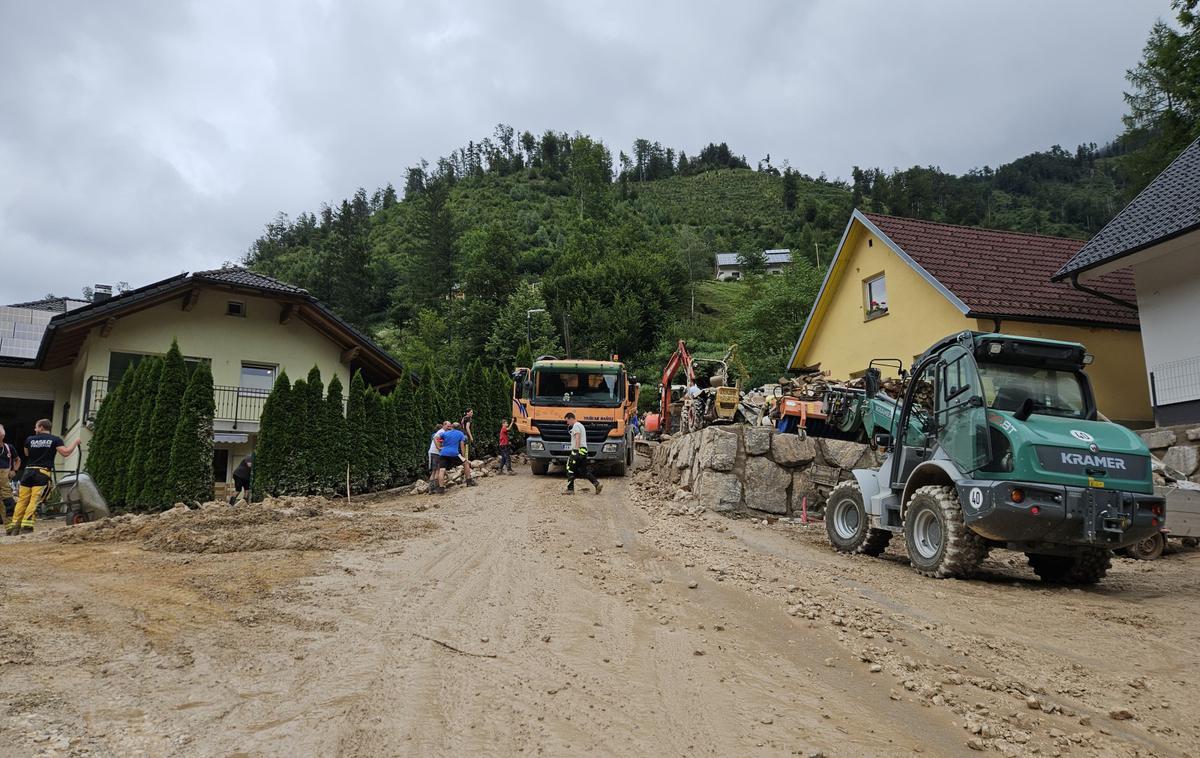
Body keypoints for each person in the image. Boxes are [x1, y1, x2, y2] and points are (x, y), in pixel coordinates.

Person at [9, 419, 79, 536]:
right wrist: (75, 442)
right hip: (42, 473)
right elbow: (65, 453)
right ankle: (26, 526)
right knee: (34, 500)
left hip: (28, 472)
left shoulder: (29, 439)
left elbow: (27, 454)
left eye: (36, 427)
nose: (35, 429)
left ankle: (14, 527)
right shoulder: (55, 439)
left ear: (41, 427)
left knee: (22, 500)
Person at [563, 412, 601, 496]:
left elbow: (577, 437)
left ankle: (570, 489)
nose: (567, 423)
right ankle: (596, 484)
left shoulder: (576, 426)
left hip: (578, 450)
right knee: (583, 471)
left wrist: (576, 451)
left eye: (567, 421)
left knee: (569, 468)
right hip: (584, 451)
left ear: (571, 418)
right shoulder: (581, 425)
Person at [435, 422, 475, 493]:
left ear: (452, 427)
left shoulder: (445, 433)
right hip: (454, 453)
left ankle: (441, 488)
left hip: (443, 453)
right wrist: (463, 456)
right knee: (465, 463)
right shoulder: (460, 434)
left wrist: (439, 447)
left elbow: (436, 437)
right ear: (459, 427)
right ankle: (469, 481)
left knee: (442, 470)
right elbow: (462, 445)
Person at [0, 424, 21, 529]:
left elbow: (18, 460)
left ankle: (10, 528)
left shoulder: (9, 448)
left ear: (3, 436)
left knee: (8, 503)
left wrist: (14, 470)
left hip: (5, 482)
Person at [428, 421, 451, 492]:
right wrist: (439, 448)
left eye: (450, 426)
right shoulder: (441, 432)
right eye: (448, 426)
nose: (449, 428)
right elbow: (435, 439)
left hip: (433, 452)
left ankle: (431, 489)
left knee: (434, 471)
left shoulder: (441, 432)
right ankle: (436, 488)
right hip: (436, 453)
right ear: (444, 425)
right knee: (437, 470)